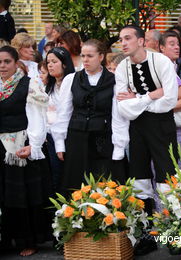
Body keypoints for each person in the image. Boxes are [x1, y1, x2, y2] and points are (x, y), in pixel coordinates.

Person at [113, 25, 178, 255]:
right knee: (139, 179)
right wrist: (150, 95)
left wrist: (136, 100)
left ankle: (174, 235)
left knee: (167, 180)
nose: (123, 42)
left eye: (128, 38)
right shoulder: (122, 67)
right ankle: (145, 235)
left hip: (162, 126)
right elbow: (124, 107)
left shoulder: (161, 62)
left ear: (141, 41)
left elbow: (169, 100)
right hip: (137, 128)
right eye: (121, 39)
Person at [51, 39, 127, 195]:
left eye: (90, 56)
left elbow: (118, 116)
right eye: (83, 55)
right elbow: (63, 113)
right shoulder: (71, 79)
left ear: (101, 57)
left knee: (103, 185)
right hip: (76, 139)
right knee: (75, 185)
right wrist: (59, 142)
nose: (85, 60)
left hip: (103, 140)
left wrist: (119, 146)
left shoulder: (114, 81)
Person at [0, 45, 51, 256]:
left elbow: (39, 117)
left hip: (22, 145)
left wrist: (35, 145)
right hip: (0, 147)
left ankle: (28, 240)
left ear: (15, 62)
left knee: (24, 195)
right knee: (4, 195)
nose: (2, 66)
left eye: (6, 62)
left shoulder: (29, 85)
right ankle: (6, 241)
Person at [45, 47, 75, 191]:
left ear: (64, 63)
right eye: (48, 62)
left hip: (68, 136)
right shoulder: (48, 87)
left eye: (54, 61)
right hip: (49, 137)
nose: (50, 65)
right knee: (53, 177)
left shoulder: (74, 83)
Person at [159, 31, 181, 153]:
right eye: (172, 44)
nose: (177, 47)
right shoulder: (164, 67)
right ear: (161, 48)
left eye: (177, 44)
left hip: (174, 127)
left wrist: (158, 108)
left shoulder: (171, 70)